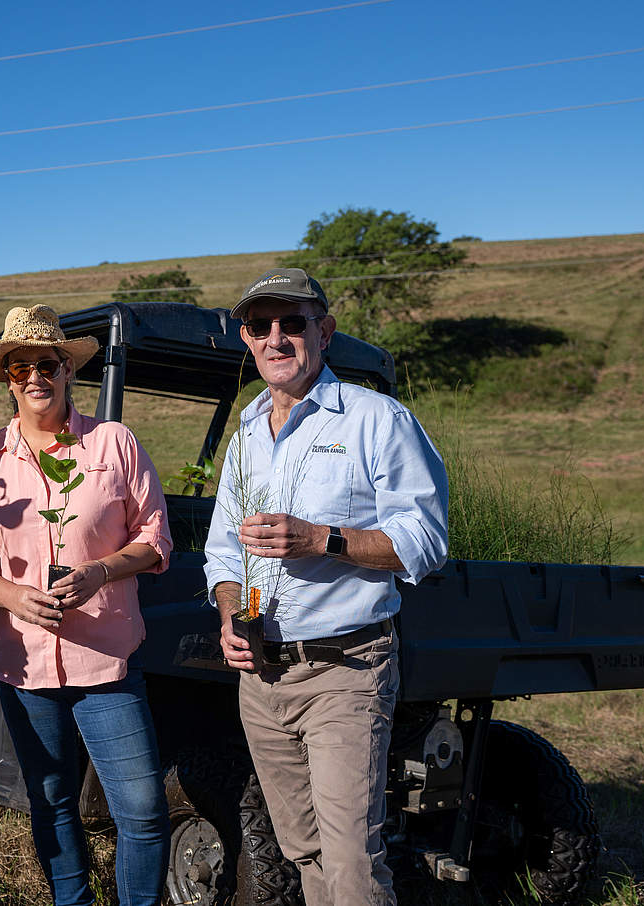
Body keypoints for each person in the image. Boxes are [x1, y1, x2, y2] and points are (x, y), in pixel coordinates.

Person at [203, 268, 448, 906]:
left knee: (349, 860)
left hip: (346, 669)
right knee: (303, 848)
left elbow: (425, 542)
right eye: (262, 326)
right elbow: (223, 553)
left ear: (325, 332)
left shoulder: (376, 420)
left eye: (294, 323)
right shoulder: (246, 436)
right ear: (246, 340)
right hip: (261, 677)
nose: (277, 338)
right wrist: (231, 617)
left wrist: (323, 539)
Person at [0, 305, 172, 906]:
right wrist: (11, 594)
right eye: (18, 368)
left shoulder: (114, 441)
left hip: (106, 660)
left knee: (144, 810)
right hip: (21, 665)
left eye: (46, 364)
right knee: (50, 801)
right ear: (6, 380)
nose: (33, 378)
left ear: (68, 371)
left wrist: (101, 570)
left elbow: (155, 538)